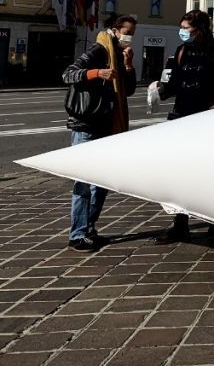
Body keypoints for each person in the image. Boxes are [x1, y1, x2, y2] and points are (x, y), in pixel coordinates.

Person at [150, 9, 214, 243]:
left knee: (207, 173)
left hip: (208, 121)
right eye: (182, 28)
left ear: (200, 29)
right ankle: (180, 224)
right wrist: (159, 92)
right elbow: (173, 82)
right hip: (182, 117)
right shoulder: (181, 52)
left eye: (187, 29)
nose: (183, 33)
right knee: (179, 174)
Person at [61, 14, 137, 251]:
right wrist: (97, 73)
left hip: (106, 123)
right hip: (86, 123)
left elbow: (129, 90)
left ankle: (89, 228)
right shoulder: (99, 49)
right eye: (127, 31)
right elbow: (68, 74)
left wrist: (127, 66)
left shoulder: (119, 54)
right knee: (83, 180)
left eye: (133, 32)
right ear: (115, 30)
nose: (130, 36)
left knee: (101, 181)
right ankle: (77, 234)